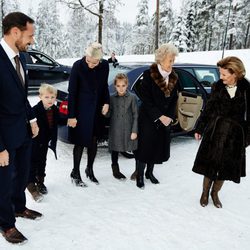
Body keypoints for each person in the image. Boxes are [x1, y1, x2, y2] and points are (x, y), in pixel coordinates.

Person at [0, 12, 42, 244]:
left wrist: (32, 119)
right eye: (30, 35)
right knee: (3, 183)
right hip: (4, 137)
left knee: (22, 175)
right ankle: (6, 224)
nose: (32, 40)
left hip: (22, 130)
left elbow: (21, 95)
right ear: (15, 32)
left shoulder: (21, 57)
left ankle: (18, 207)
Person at [192, 56, 250, 208]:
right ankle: (205, 192)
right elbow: (208, 110)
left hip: (235, 136)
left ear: (235, 74)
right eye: (220, 73)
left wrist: (246, 139)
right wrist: (199, 128)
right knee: (210, 164)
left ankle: (214, 193)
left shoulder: (246, 89)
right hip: (215, 132)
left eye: (224, 74)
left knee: (225, 167)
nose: (221, 77)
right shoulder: (217, 87)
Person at [134, 43, 179, 189]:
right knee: (144, 148)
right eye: (170, 60)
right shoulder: (149, 75)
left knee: (157, 147)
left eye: (173, 60)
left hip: (165, 119)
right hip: (149, 118)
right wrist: (159, 116)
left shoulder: (174, 77)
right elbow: (146, 100)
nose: (172, 63)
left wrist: (170, 117)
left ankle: (149, 173)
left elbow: (174, 100)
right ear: (160, 60)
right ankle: (140, 175)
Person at [67, 42, 110, 186]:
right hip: (81, 111)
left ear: (100, 60)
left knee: (93, 141)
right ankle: (75, 172)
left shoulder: (104, 66)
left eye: (95, 62)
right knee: (80, 142)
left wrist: (106, 102)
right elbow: (72, 93)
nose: (91, 64)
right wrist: (71, 116)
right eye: (88, 61)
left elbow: (104, 87)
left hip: (97, 110)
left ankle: (89, 169)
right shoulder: (78, 66)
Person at [27, 84, 59, 202]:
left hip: (45, 141)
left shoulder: (54, 110)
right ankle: (30, 184)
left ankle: (40, 181)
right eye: (46, 97)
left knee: (42, 161)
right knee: (32, 162)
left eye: (52, 97)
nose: (50, 100)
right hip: (35, 142)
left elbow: (56, 123)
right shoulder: (35, 110)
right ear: (40, 97)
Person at [105, 73, 138, 180]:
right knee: (115, 150)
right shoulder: (111, 98)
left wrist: (134, 131)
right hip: (116, 129)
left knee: (135, 149)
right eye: (118, 86)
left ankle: (138, 170)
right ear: (115, 86)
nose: (121, 88)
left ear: (127, 85)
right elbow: (109, 114)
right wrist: (105, 111)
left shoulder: (132, 98)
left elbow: (136, 115)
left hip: (129, 128)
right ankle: (116, 171)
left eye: (123, 85)